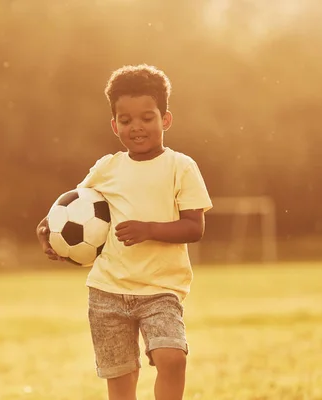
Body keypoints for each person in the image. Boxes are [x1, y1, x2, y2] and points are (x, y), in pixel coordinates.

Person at [36, 64, 212, 400]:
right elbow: (69, 208)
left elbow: (194, 227)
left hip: (160, 290)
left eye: (147, 117)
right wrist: (47, 233)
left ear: (166, 119)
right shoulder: (107, 168)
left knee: (172, 358)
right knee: (121, 379)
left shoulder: (181, 167)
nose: (137, 127)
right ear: (115, 125)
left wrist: (149, 229)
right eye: (127, 120)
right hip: (107, 292)